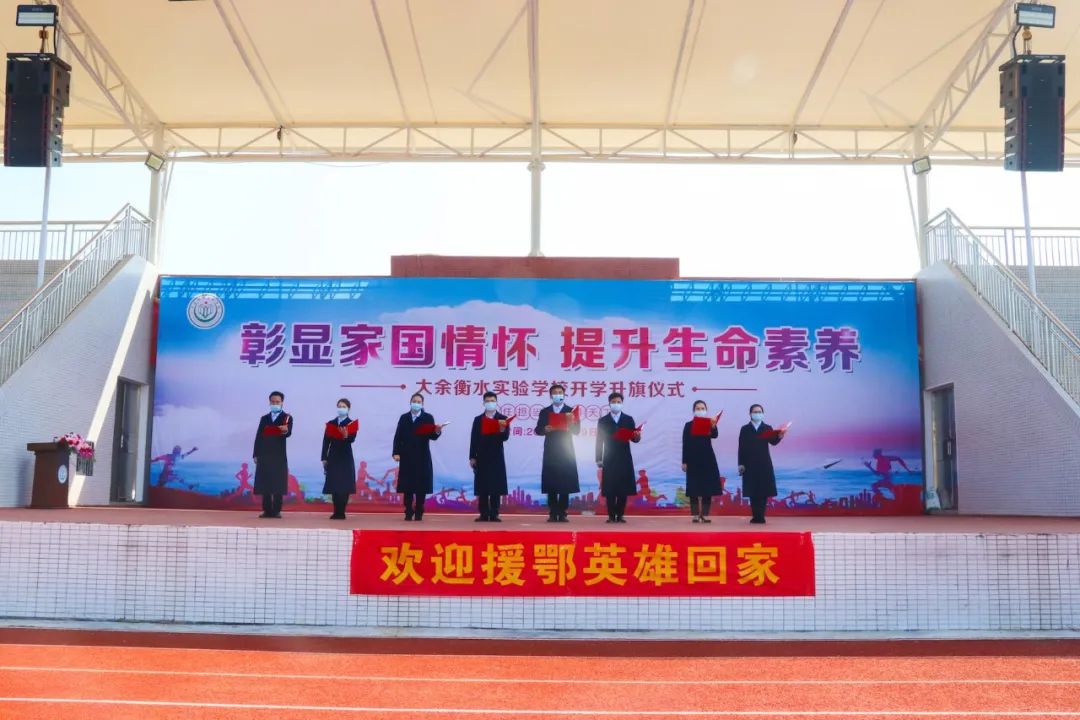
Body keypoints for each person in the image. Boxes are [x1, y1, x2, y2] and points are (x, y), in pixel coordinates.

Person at [392, 393, 442, 521]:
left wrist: (437, 431)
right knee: (407, 486)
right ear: (410, 402)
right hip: (407, 456)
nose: (416, 403)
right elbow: (398, 437)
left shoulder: (428, 418)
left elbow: (432, 436)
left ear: (422, 404)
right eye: (414, 401)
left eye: (419, 402)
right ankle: (408, 510)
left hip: (422, 456)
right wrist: (396, 453)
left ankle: (419, 509)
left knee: (421, 485)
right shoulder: (404, 418)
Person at [535, 383, 580, 523]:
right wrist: (545, 429)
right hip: (551, 450)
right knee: (551, 481)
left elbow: (577, 431)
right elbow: (537, 430)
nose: (558, 395)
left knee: (565, 481)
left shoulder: (571, 411)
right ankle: (553, 512)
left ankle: (563, 512)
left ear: (564, 394)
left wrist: (571, 423)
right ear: (551, 396)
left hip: (566, 449)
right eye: (555, 393)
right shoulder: (545, 412)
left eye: (560, 392)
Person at [595, 392, 639, 523]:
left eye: (618, 402)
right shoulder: (603, 420)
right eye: (613, 402)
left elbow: (634, 439)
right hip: (609, 457)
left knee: (623, 488)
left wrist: (637, 436)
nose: (616, 404)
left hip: (624, 457)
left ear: (622, 403)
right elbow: (599, 441)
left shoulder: (628, 419)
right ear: (609, 404)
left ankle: (620, 515)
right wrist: (598, 458)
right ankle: (611, 515)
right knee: (610, 488)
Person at [737, 403, 785, 524]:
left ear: (763, 414)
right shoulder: (745, 429)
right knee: (753, 490)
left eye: (759, 412)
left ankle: (761, 516)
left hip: (764, 463)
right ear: (750, 414)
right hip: (749, 464)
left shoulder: (767, 428)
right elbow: (741, 447)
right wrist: (740, 464)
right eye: (755, 412)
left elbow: (773, 442)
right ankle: (755, 516)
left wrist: (780, 436)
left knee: (763, 490)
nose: (757, 414)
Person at [469, 391, 511, 522]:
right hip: (481, 455)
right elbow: (473, 439)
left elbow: (505, 437)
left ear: (496, 402)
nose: (490, 403)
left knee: (495, 485)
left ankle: (494, 513)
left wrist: (502, 429)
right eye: (487, 401)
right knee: (482, 486)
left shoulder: (502, 418)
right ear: (483, 403)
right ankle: (483, 514)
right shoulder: (478, 419)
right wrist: (472, 456)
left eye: (492, 401)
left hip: (496, 455)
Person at [253, 390, 292, 519]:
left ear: (282, 403)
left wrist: (283, 431)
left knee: (278, 484)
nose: (275, 404)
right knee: (265, 484)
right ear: (269, 402)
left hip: (278, 455)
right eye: (273, 402)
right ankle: (267, 510)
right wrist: (256, 454)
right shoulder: (264, 418)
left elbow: (288, 433)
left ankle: (276, 511)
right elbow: (259, 436)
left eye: (277, 402)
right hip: (264, 454)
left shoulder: (286, 418)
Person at [682, 399, 722, 523]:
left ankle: (704, 514)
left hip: (707, 458)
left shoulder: (710, 423)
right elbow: (685, 444)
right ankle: (695, 514)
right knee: (693, 487)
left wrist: (713, 426)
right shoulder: (688, 425)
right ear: (694, 411)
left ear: (706, 410)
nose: (700, 410)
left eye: (702, 408)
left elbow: (715, 435)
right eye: (698, 409)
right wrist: (684, 461)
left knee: (707, 487)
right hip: (693, 459)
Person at [321, 398, 358, 520]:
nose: (341, 408)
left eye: (343, 406)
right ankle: (336, 511)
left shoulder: (351, 423)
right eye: (339, 406)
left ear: (348, 409)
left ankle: (342, 512)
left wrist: (346, 436)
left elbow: (352, 439)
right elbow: (326, 442)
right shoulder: (331, 423)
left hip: (345, 456)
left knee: (344, 485)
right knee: (335, 484)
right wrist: (324, 457)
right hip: (333, 456)